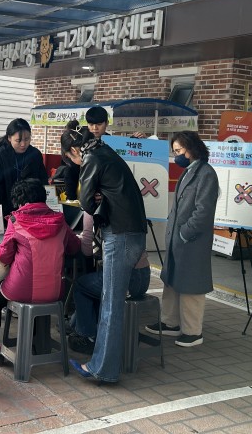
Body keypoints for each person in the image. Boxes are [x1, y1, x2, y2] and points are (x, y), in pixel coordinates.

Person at [61, 123, 147, 383]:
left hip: (119, 235)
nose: (74, 164)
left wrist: (94, 196)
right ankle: (104, 365)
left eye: (71, 159)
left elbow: (86, 203)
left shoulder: (92, 159)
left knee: (111, 304)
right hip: (132, 233)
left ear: (74, 150)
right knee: (112, 302)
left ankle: (103, 369)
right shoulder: (106, 151)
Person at [0, 178, 80, 362]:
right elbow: (74, 247)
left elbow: (4, 256)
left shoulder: (16, 220)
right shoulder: (60, 221)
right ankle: (35, 342)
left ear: (20, 202)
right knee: (36, 296)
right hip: (54, 291)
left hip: (20, 290)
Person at [146, 131, 218, 347]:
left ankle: (193, 332)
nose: (176, 155)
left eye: (179, 150)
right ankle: (170, 322)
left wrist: (185, 233)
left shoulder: (206, 173)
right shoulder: (190, 171)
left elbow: (203, 211)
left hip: (192, 241)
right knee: (172, 281)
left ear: (192, 148)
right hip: (179, 240)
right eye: (174, 151)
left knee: (191, 286)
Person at [67, 208, 151, 355]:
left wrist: (82, 240)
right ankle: (78, 325)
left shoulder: (92, 208)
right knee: (95, 286)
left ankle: (88, 337)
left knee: (82, 286)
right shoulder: (129, 208)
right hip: (143, 277)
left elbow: (87, 249)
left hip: (123, 280)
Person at [0, 118, 48, 217]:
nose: (23, 144)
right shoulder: (0, 155)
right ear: (9, 138)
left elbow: (42, 180)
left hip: (31, 209)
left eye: (27, 139)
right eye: (18, 140)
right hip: (5, 208)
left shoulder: (35, 154)